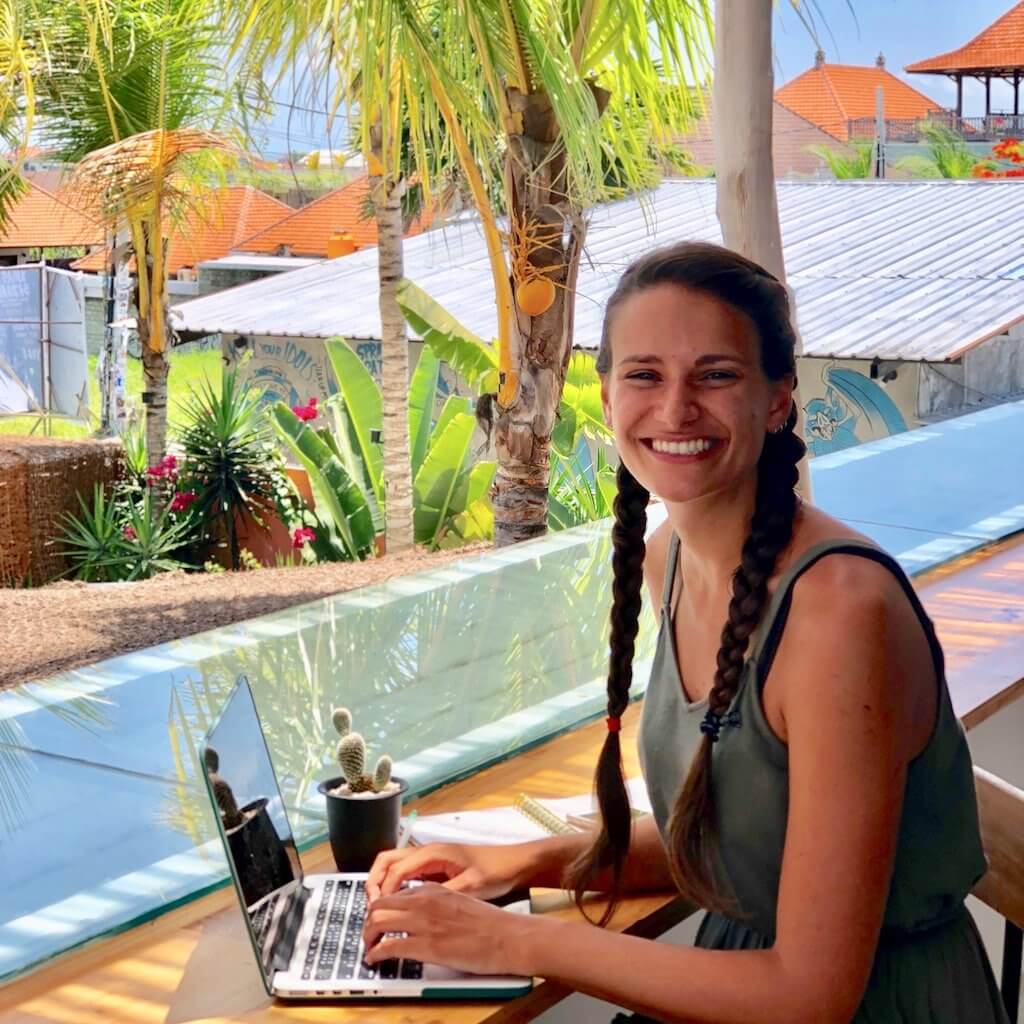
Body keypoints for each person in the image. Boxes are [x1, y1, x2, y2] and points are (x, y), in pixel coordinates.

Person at [363, 242, 1008, 1023]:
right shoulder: (669, 562)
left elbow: (811, 995)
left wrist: (510, 942)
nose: (674, 410)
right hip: (738, 978)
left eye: (716, 374)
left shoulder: (842, 615)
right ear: (605, 397)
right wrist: (514, 862)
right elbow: (734, 836)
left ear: (777, 400)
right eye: (644, 375)